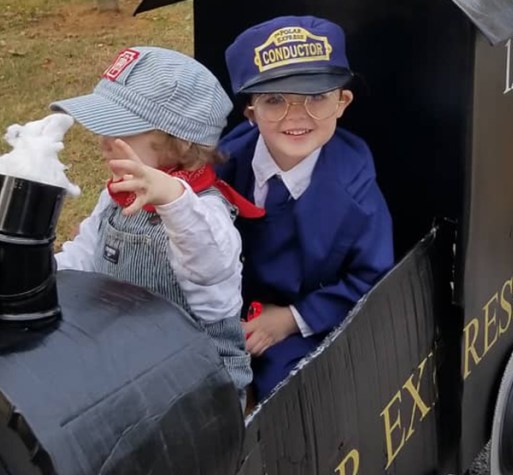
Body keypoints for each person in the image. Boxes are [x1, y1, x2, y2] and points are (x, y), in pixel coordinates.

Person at [50, 46, 264, 410]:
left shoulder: (206, 212)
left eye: (118, 128)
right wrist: (32, 277)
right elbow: (84, 255)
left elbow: (209, 267)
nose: (102, 141)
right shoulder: (115, 198)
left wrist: (172, 199)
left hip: (200, 385)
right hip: (128, 362)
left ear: (179, 142)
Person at [216, 16, 395, 402]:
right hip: (222, 307)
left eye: (316, 98)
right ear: (251, 111)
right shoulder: (225, 164)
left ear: (342, 102)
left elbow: (371, 277)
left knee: (292, 393)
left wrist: (291, 320)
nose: (296, 117)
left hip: (303, 322)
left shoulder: (356, 191)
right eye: (275, 100)